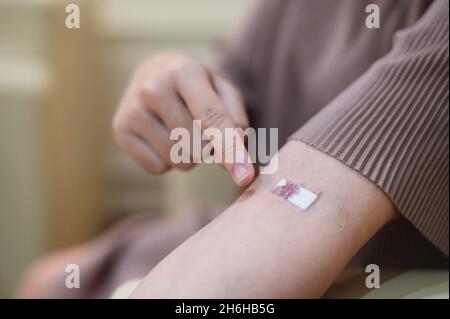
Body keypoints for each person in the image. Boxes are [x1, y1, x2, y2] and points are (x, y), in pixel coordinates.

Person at [18, 0, 448, 298]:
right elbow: (235, 83)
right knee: (46, 281)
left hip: (348, 253)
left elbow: (301, 210)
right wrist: (170, 80)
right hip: (246, 216)